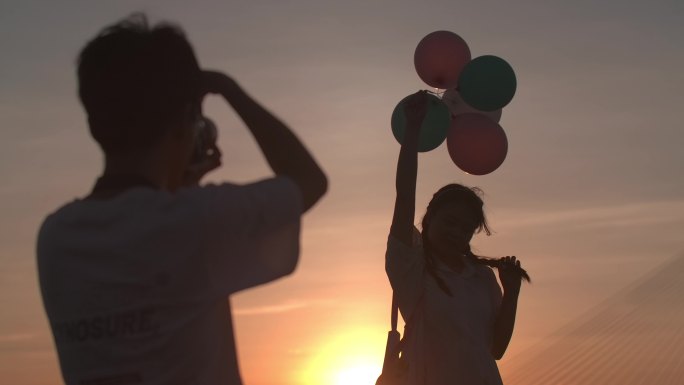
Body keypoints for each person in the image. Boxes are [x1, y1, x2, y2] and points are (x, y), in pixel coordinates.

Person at [36, 14, 327, 385]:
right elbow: (308, 180)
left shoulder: (55, 238)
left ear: (94, 125)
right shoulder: (194, 222)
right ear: (183, 120)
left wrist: (180, 182)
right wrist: (229, 89)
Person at [385, 91, 528, 384]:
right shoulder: (413, 270)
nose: (456, 232)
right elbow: (404, 198)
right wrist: (412, 132)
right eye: (449, 222)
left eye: (465, 228)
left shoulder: (481, 277)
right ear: (429, 219)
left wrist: (511, 292)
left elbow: (496, 349)